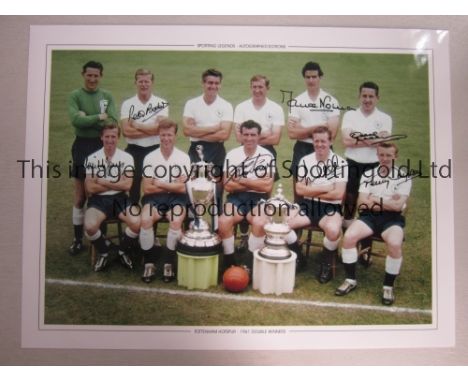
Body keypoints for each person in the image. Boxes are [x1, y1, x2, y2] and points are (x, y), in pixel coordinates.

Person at [250, 126, 348, 283]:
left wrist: (312, 189)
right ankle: (298, 255)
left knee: (333, 229)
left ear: (330, 141)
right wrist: (325, 188)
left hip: (330, 207)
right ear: (313, 142)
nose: (320, 144)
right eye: (316, 141)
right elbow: (300, 189)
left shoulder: (340, 163)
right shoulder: (305, 160)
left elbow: (338, 194)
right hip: (307, 205)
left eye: (323, 141)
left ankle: (327, 263)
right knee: (281, 222)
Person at [335, 142, 411, 306]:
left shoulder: (404, 177)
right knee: (348, 237)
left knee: (395, 243)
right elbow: (362, 202)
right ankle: (350, 280)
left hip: (392, 219)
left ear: (395, 156)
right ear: (377, 155)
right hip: (368, 217)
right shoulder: (368, 174)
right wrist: (388, 201)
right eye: (381, 155)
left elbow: (398, 207)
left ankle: (388, 287)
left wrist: (375, 199)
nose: (384, 158)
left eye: (388, 155)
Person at [68, 60, 119, 255]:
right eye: (89, 75)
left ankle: (100, 238)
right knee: (81, 196)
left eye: (95, 75)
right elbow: (75, 121)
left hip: (102, 146)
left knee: (99, 192)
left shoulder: (106, 95)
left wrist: (87, 118)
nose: (92, 79)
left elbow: (112, 122)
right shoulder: (75, 95)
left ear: (100, 76)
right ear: (83, 75)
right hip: (81, 146)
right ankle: (77, 239)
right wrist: (99, 117)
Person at [218, 120, 275, 271]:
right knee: (224, 221)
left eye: (253, 135)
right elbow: (228, 185)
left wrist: (242, 179)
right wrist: (256, 182)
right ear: (241, 135)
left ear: (259, 136)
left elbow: (267, 186)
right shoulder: (232, 154)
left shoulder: (267, 155)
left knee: (259, 222)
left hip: (259, 199)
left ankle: (249, 263)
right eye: (246, 134)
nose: (249, 138)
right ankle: (229, 260)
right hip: (236, 198)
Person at [139, 119, 191, 283]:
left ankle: (168, 262)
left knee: (176, 221)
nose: (166, 138)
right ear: (158, 135)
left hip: (177, 199)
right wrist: (172, 185)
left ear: (175, 136)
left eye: (169, 135)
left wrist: (160, 183)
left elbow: (184, 189)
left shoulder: (183, 157)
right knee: (145, 219)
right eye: (163, 135)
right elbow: (147, 189)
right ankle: (149, 263)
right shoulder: (149, 157)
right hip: (153, 199)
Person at [83, 123, 140, 272]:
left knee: (137, 222)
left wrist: (102, 181)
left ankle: (122, 251)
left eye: (113, 136)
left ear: (118, 138)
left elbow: (127, 185)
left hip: (120, 199)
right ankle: (104, 252)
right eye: (107, 136)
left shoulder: (126, 157)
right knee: (90, 226)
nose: (110, 140)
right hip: (98, 200)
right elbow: (90, 188)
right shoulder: (92, 158)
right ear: (101, 137)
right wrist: (116, 181)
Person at [341, 82, 392, 240]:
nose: (367, 100)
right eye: (364, 96)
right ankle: (347, 241)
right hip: (352, 164)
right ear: (359, 96)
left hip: (374, 166)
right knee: (349, 201)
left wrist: (357, 137)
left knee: (368, 204)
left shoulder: (385, 118)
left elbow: (382, 141)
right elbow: (346, 141)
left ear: (377, 98)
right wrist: (372, 138)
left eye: (371, 96)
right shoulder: (350, 115)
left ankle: (365, 245)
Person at [287, 61, 341, 201]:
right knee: (300, 190)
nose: (311, 80)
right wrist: (321, 126)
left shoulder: (331, 101)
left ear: (320, 77)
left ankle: (321, 218)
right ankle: (298, 217)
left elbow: (332, 133)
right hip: (302, 148)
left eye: (314, 76)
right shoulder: (296, 101)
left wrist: (303, 129)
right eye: (308, 77)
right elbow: (292, 133)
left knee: (325, 186)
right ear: (304, 78)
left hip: (324, 148)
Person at [120, 68, 169, 205]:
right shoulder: (128, 104)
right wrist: (152, 128)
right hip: (133, 150)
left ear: (152, 83)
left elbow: (161, 130)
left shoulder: (161, 103)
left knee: (154, 186)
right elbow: (126, 132)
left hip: (154, 150)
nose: (144, 85)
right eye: (140, 81)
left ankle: (150, 220)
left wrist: (137, 125)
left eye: (147, 81)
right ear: (135, 82)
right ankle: (133, 223)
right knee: (133, 188)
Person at [182, 68, 233, 180]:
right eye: (210, 83)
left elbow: (224, 135)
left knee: (216, 189)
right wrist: (215, 128)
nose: (213, 86)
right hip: (196, 149)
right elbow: (186, 131)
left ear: (220, 85)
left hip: (217, 150)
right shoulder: (191, 104)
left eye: (216, 83)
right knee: (194, 187)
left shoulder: (226, 106)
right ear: (203, 83)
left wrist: (196, 131)